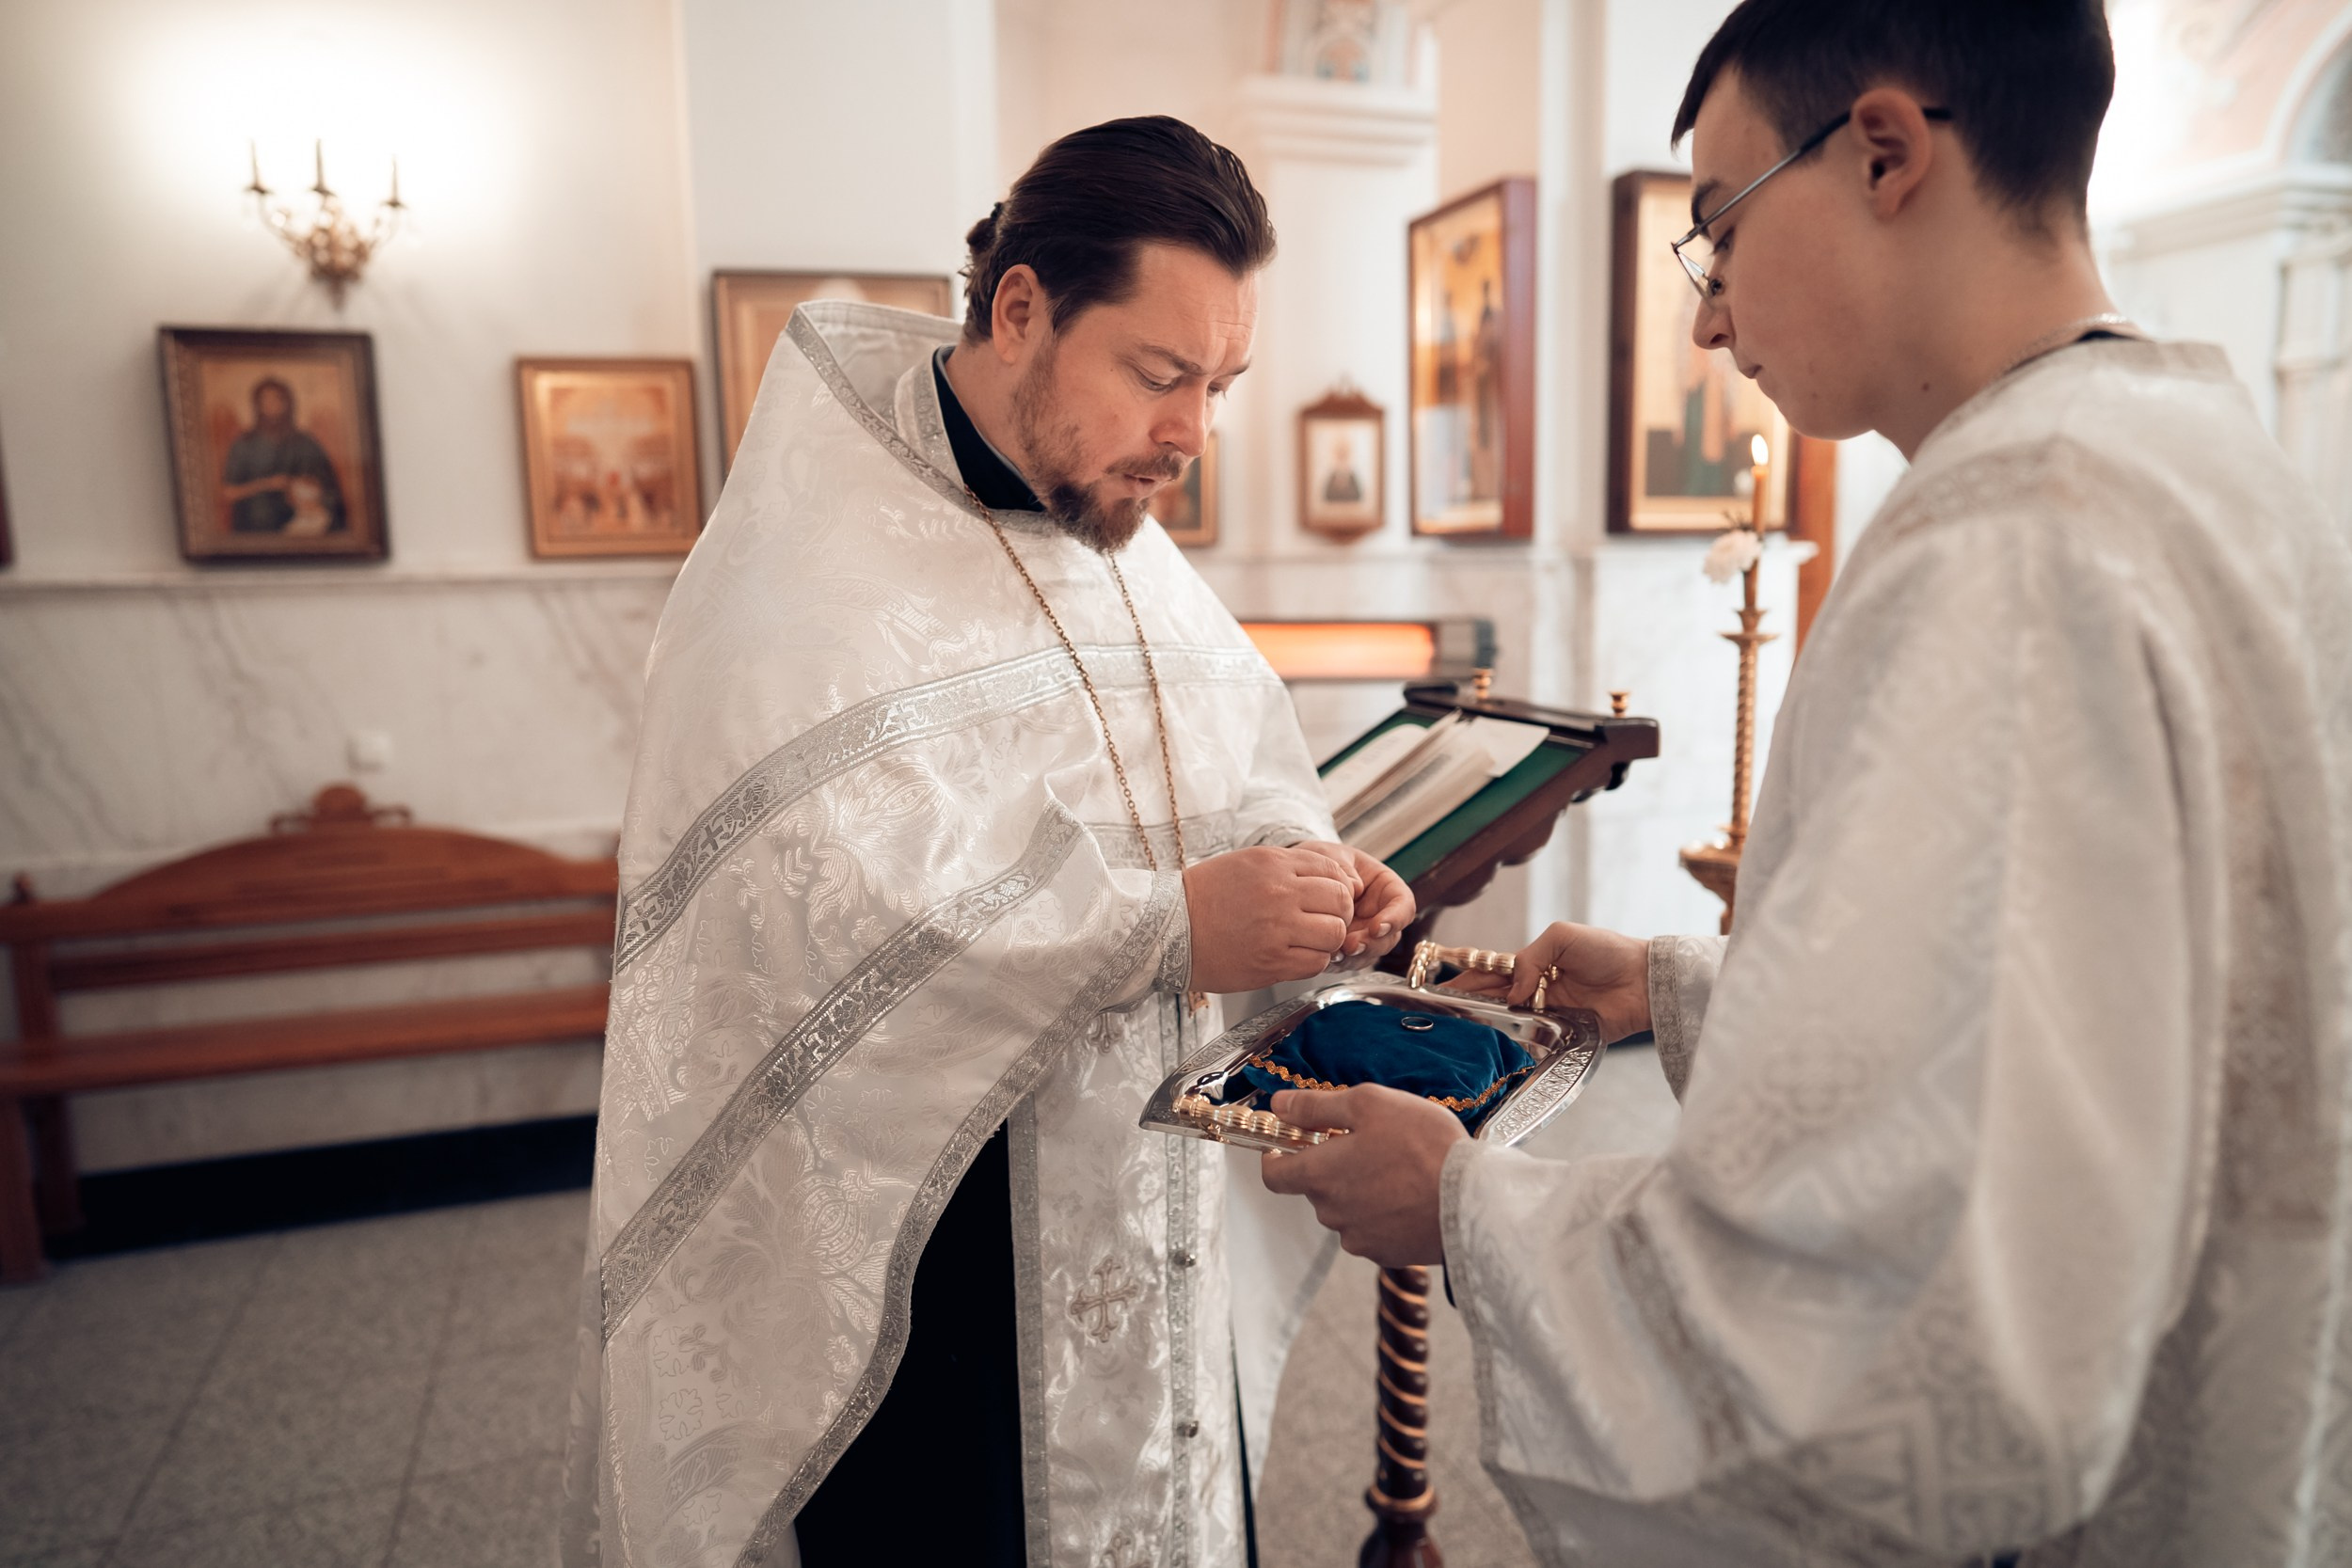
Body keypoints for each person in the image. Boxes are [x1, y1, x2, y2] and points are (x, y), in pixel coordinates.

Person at [1261, 3, 2352, 1563]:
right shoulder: (2199, 454)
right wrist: (1685, 989)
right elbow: (2076, 1015)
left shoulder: (2006, 541)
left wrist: (1464, 1206)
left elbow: (1878, 1321)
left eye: (1716, 229)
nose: (1707, 320)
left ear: (1886, 152)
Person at [561, 117, 1410, 1568]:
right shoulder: (799, 582)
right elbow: (818, 918)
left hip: (1155, 1212)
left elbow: (1235, 764)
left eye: (1221, 384)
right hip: (940, 1266)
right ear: (1022, 309)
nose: (1194, 434)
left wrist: (1312, 865)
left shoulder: (1120, 535)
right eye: (1160, 374)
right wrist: (1169, 927)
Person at [219, 377, 345, 533]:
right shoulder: (244, 444)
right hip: (255, 528)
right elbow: (228, 493)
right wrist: (266, 484)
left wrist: (302, 489)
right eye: (264, 400)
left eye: (277, 399)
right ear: (257, 405)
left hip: (301, 529)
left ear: (287, 403)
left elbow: (329, 489)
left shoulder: (306, 443)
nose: (271, 405)